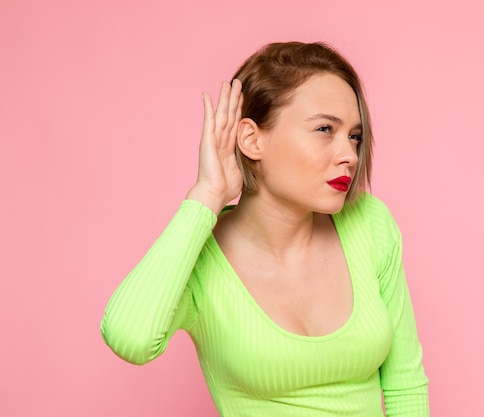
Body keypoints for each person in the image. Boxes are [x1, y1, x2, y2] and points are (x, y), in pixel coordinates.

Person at [101, 41, 429, 416]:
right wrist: (206, 195)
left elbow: (406, 386)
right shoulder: (202, 258)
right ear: (252, 139)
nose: (349, 155)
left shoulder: (369, 223)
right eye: (325, 129)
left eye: (354, 136)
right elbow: (130, 338)